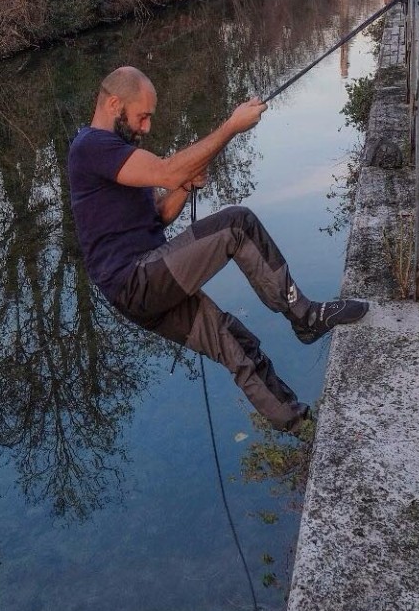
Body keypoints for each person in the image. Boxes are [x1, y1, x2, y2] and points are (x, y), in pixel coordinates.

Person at [67, 67, 370, 432]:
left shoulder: (117, 154)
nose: (146, 127)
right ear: (114, 103)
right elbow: (166, 171)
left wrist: (184, 187)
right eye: (142, 116)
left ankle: (302, 428)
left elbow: (158, 216)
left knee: (234, 343)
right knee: (237, 226)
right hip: (136, 279)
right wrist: (230, 127)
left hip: (141, 288)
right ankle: (304, 316)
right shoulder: (91, 147)